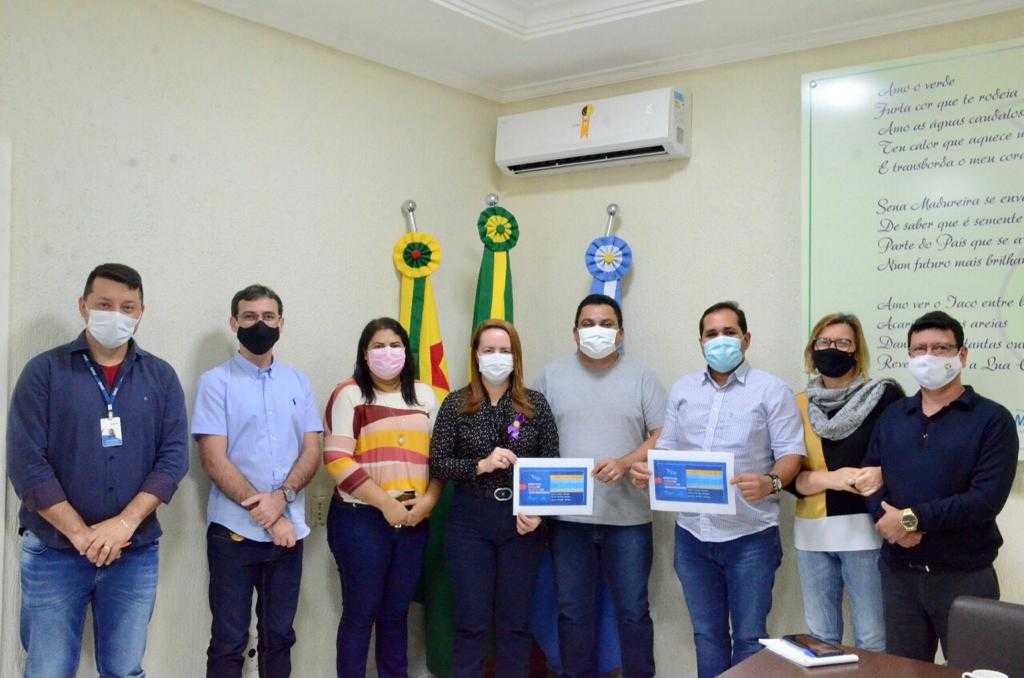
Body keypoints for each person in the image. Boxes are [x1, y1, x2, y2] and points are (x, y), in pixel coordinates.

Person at [7, 263, 189, 677]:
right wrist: (81, 534)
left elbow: (173, 458)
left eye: (128, 307)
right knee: (47, 671)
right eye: (104, 305)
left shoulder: (160, 377)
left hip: (133, 552)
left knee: (124, 670)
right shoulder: (44, 372)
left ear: (141, 312)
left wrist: (123, 525)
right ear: (83, 306)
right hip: (53, 551)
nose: (116, 315)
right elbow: (26, 463)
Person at [630, 301, 805, 678]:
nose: (720, 340)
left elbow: (791, 454)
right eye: (712, 334)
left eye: (729, 332)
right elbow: (668, 448)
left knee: (749, 638)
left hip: (751, 536)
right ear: (701, 342)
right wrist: (650, 470)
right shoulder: (683, 389)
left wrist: (771, 481)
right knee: (707, 636)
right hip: (693, 535)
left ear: (746, 338)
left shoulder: (772, 390)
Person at [864, 311, 1018, 663]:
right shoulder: (893, 416)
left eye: (940, 348)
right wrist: (888, 523)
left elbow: (985, 500)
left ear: (962, 355)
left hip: (965, 578)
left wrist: (908, 520)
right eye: (919, 349)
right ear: (909, 356)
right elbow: (869, 476)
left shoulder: (992, 420)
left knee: (974, 670)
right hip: (899, 576)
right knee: (903, 671)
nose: (928, 356)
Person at [192, 284, 322, 677]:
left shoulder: (298, 382)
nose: (259, 324)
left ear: (281, 322)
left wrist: (281, 499)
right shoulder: (215, 382)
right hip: (233, 534)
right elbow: (214, 460)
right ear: (234, 323)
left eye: (268, 316)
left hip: (288, 536)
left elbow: (312, 450)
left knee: (279, 637)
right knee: (229, 641)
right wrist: (268, 512)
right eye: (249, 316)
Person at [534, 294, 665, 678]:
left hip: (628, 519)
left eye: (606, 324)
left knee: (633, 612)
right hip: (568, 520)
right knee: (572, 612)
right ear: (575, 333)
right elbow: (530, 437)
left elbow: (664, 434)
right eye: (588, 324)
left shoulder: (643, 376)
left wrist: (627, 461)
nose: (597, 331)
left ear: (620, 334)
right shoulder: (550, 377)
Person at [429, 319, 559, 678]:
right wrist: (480, 465)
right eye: (489, 350)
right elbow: (438, 463)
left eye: (505, 350)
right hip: (469, 522)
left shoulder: (535, 405)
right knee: (471, 623)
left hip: (521, 524)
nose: (497, 357)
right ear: (476, 355)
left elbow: (551, 466)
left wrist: (537, 513)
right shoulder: (456, 404)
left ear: (516, 357)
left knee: (515, 624)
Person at [323, 317, 442, 678]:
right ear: (364, 353)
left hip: (413, 520)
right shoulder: (349, 393)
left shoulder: (425, 396)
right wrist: (386, 503)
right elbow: (336, 459)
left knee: (396, 614)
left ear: (407, 351)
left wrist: (428, 502)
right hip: (360, 520)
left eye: (395, 345)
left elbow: (440, 458)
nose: (387, 353)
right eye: (378, 346)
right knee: (360, 614)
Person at [790, 313, 903, 651]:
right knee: (820, 640)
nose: (833, 349)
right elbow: (790, 477)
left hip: (866, 533)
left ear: (857, 350)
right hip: (812, 535)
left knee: (872, 638)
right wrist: (833, 479)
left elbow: (901, 460)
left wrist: (876, 474)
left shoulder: (884, 396)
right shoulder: (798, 403)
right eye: (824, 342)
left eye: (843, 343)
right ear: (813, 349)